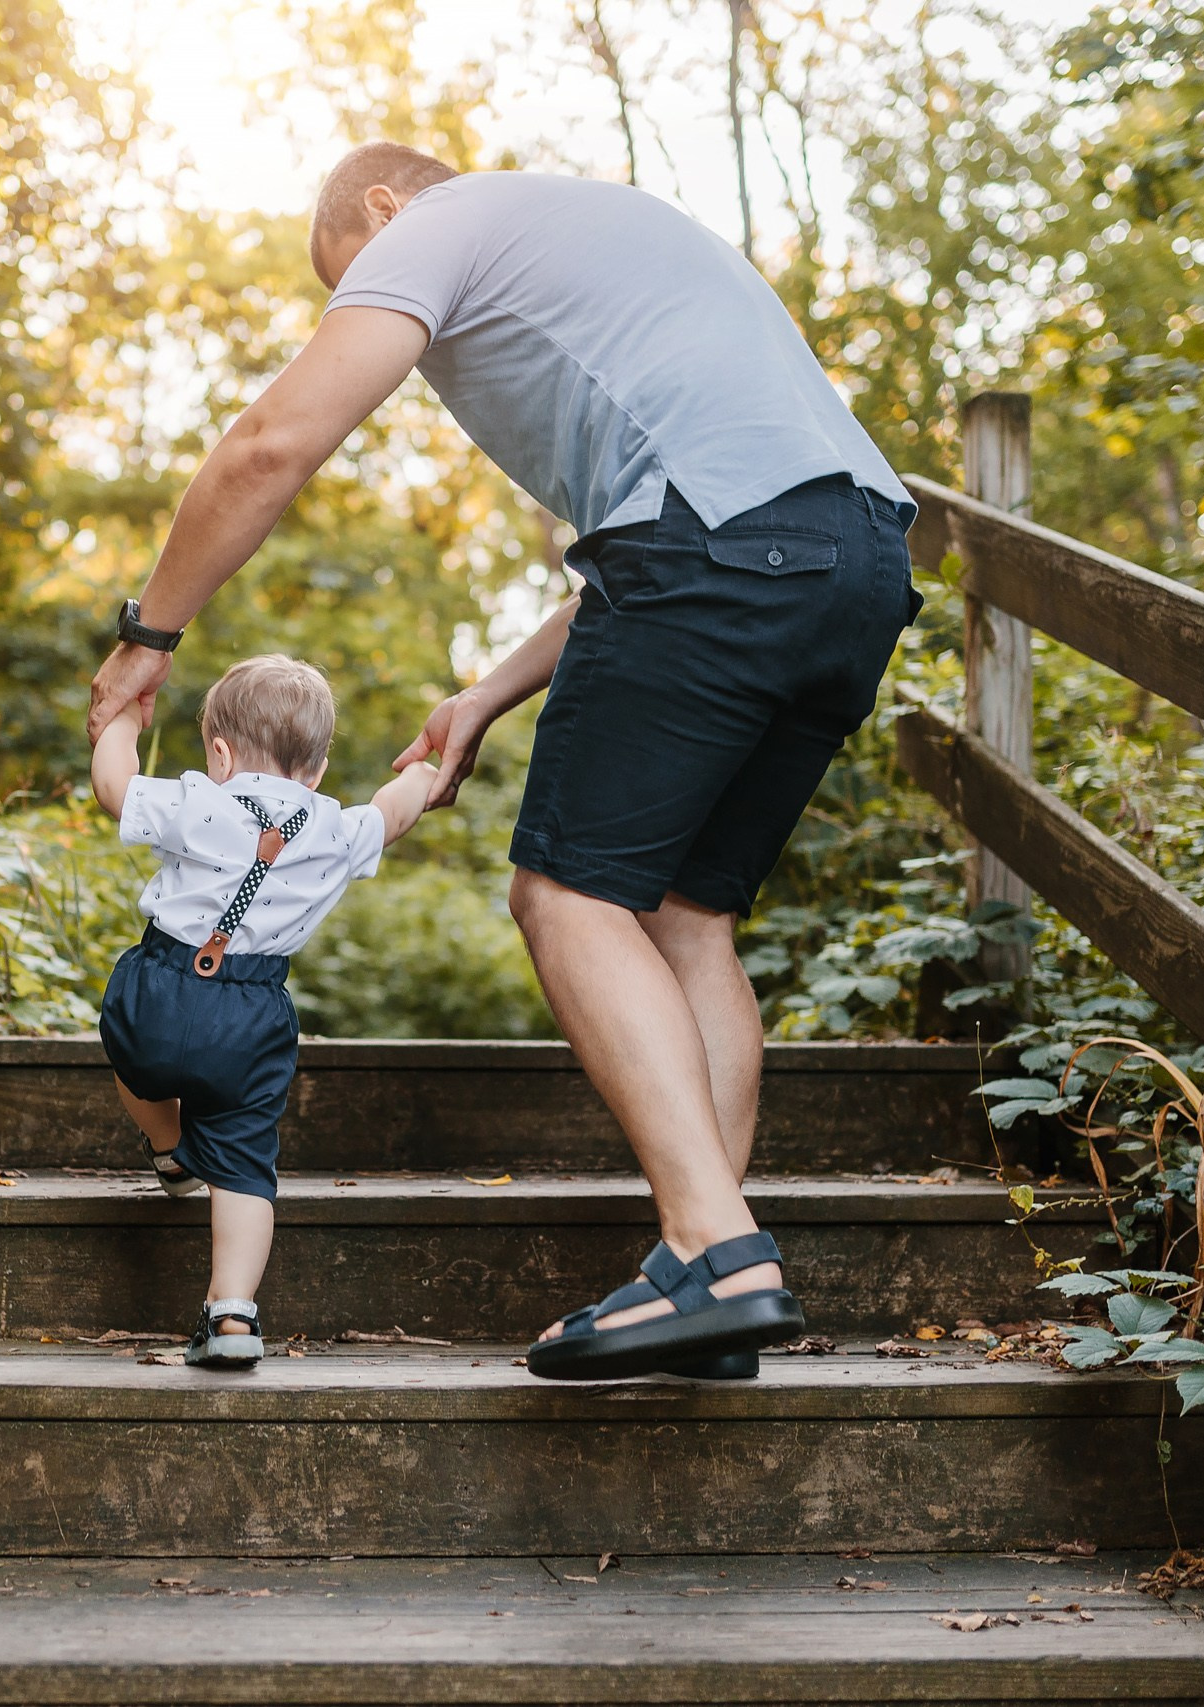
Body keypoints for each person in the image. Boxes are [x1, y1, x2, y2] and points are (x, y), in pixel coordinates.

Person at [85, 144, 920, 1381]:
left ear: (380, 207)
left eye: (349, 277)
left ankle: (716, 1252)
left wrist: (147, 638)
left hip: (713, 558)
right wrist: (485, 694)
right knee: (688, 922)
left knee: (567, 895)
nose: (370, 316)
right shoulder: (610, 235)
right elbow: (716, 521)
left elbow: (272, 445)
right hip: (858, 560)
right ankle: (710, 1278)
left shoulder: (444, 220)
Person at [91, 653, 439, 1369]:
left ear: (219, 753)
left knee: (132, 1051)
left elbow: (112, 785)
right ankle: (233, 1317)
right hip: (254, 1018)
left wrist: (123, 717)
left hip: (161, 988)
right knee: (246, 1166)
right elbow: (395, 811)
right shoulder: (337, 828)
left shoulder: (197, 799)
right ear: (315, 770)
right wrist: (426, 772)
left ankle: (167, 1146)